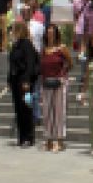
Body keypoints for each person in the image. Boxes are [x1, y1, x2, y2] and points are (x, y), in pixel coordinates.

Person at [38, 23, 71, 154]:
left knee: (59, 112)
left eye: (52, 31)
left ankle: (59, 140)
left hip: (59, 82)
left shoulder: (62, 48)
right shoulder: (44, 49)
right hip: (46, 82)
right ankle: (48, 139)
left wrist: (63, 75)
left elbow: (70, 63)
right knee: (47, 111)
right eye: (48, 32)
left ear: (56, 34)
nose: (50, 34)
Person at [8, 19, 40, 148]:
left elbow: (30, 63)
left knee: (25, 108)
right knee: (18, 109)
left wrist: (27, 80)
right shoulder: (16, 45)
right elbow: (12, 65)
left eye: (14, 29)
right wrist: (9, 80)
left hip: (24, 80)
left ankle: (28, 137)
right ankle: (21, 137)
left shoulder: (26, 44)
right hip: (16, 80)